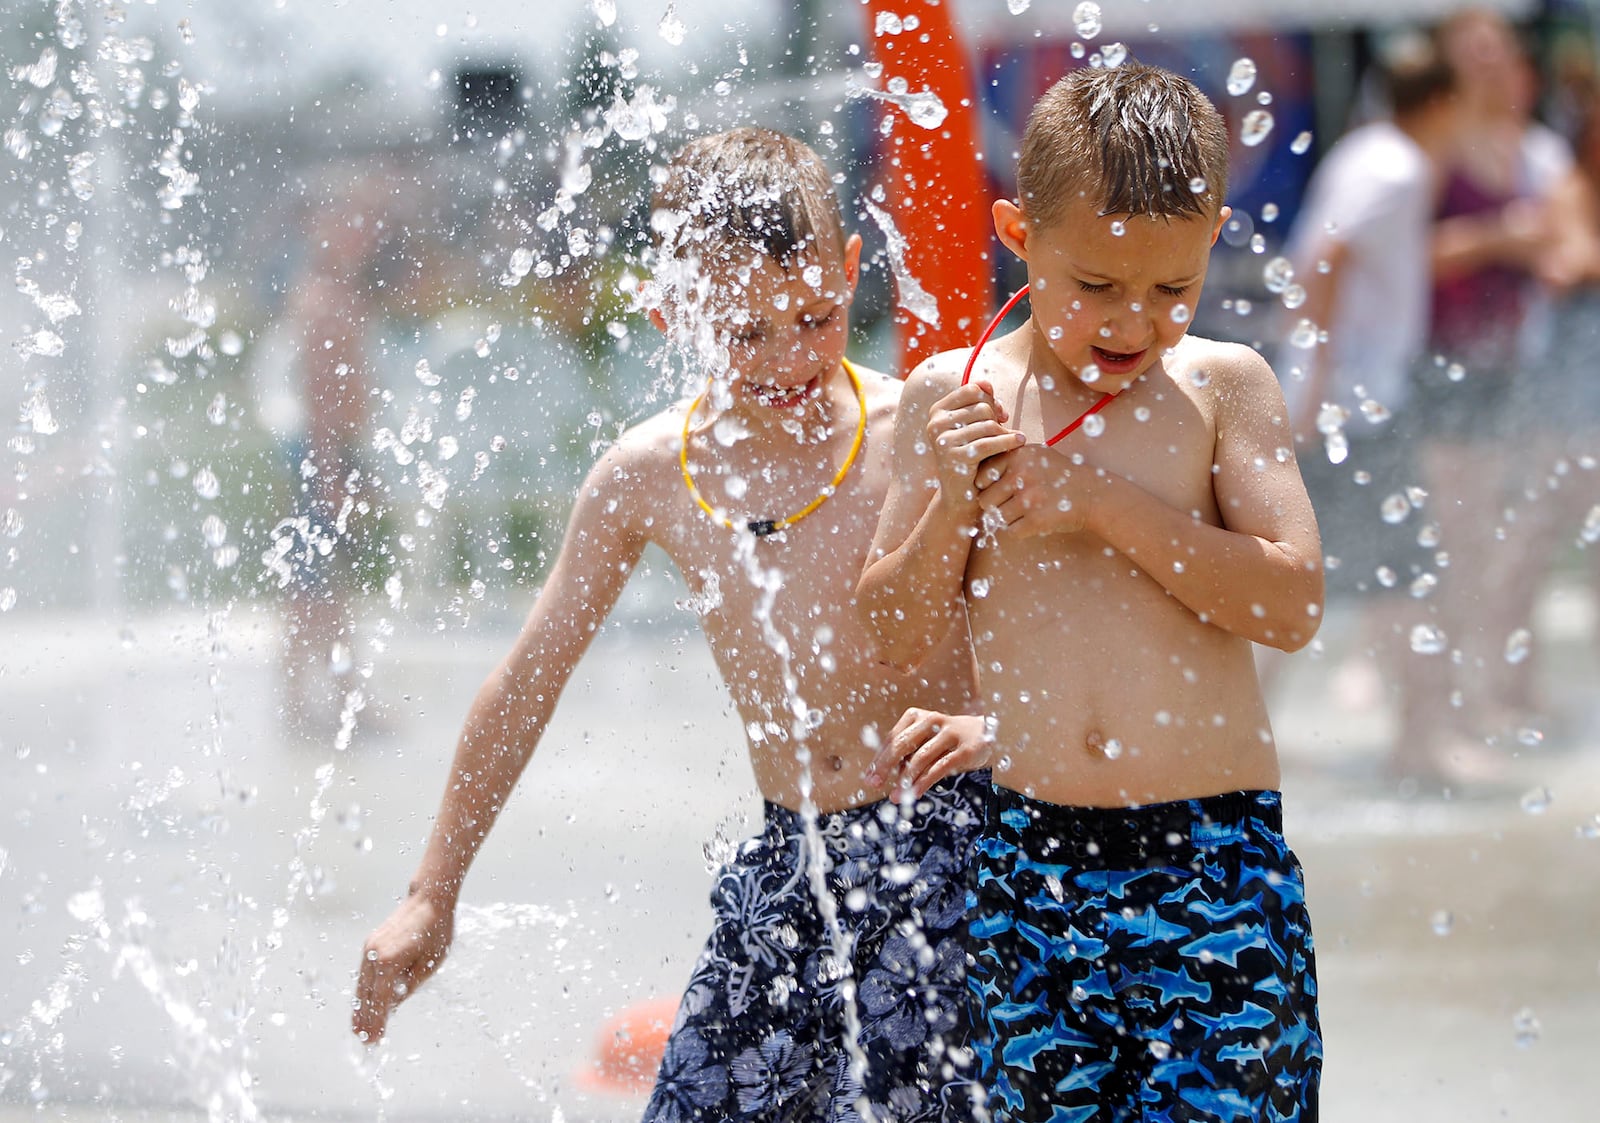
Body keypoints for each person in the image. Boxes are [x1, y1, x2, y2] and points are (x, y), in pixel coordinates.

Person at [353, 128, 992, 1122]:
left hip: (951, 855)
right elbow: (528, 678)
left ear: (854, 270)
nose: (787, 355)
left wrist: (1005, 736)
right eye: (743, 334)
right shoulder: (649, 476)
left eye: (817, 316)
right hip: (791, 866)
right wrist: (434, 890)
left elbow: (1054, 635)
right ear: (670, 315)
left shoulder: (920, 427)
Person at [858, 63, 1324, 1121]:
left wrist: (1103, 502)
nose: (1132, 322)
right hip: (1033, 866)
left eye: (1171, 291)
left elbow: (1292, 605)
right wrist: (951, 511)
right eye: (1097, 288)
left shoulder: (1220, 388)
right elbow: (888, 635)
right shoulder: (951, 395)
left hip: (1212, 859)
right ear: (1017, 233)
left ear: (1210, 239)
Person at [1275, 33, 1463, 778]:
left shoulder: (1365, 151)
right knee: (1408, 575)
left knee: (1304, 578)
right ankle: (1419, 747)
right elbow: (1325, 259)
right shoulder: (1401, 167)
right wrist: (1318, 383)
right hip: (1352, 405)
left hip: (1340, 398)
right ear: (1443, 103)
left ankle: (1234, 740)